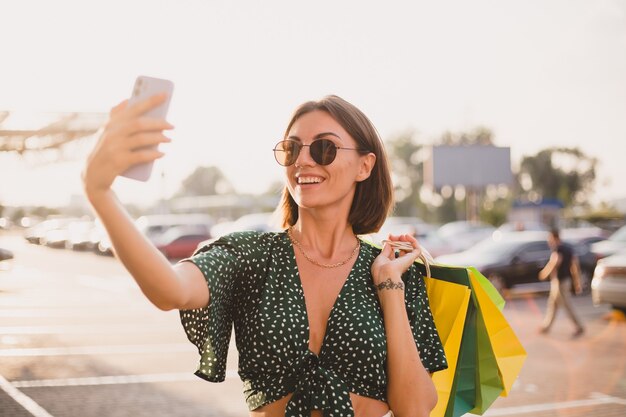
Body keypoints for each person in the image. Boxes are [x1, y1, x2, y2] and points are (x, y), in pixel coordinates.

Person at [82, 93, 447, 417]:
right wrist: (100, 193)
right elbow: (171, 290)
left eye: (324, 148)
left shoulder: (397, 274)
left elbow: (414, 410)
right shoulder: (249, 256)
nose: (303, 161)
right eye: (292, 149)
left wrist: (388, 287)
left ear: (365, 166)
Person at [538, 228, 585, 338]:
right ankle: (546, 326)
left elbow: (554, 262)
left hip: (560, 282)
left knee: (567, 305)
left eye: (550, 238)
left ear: (554, 238)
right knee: (552, 304)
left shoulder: (558, 249)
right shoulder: (568, 248)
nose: (549, 241)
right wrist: (577, 281)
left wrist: (544, 273)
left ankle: (579, 326)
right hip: (565, 280)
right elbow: (575, 266)